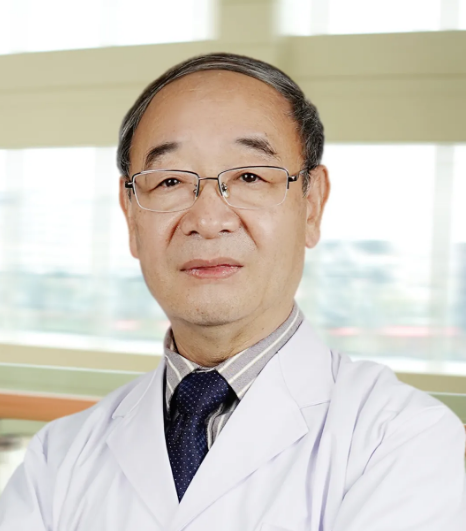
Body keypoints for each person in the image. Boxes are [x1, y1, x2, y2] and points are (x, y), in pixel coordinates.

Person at [0, 52, 465, 531]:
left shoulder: (402, 439)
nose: (208, 219)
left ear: (311, 204)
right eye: (170, 181)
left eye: (248, 177)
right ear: (131, 215)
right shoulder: (59, 457)